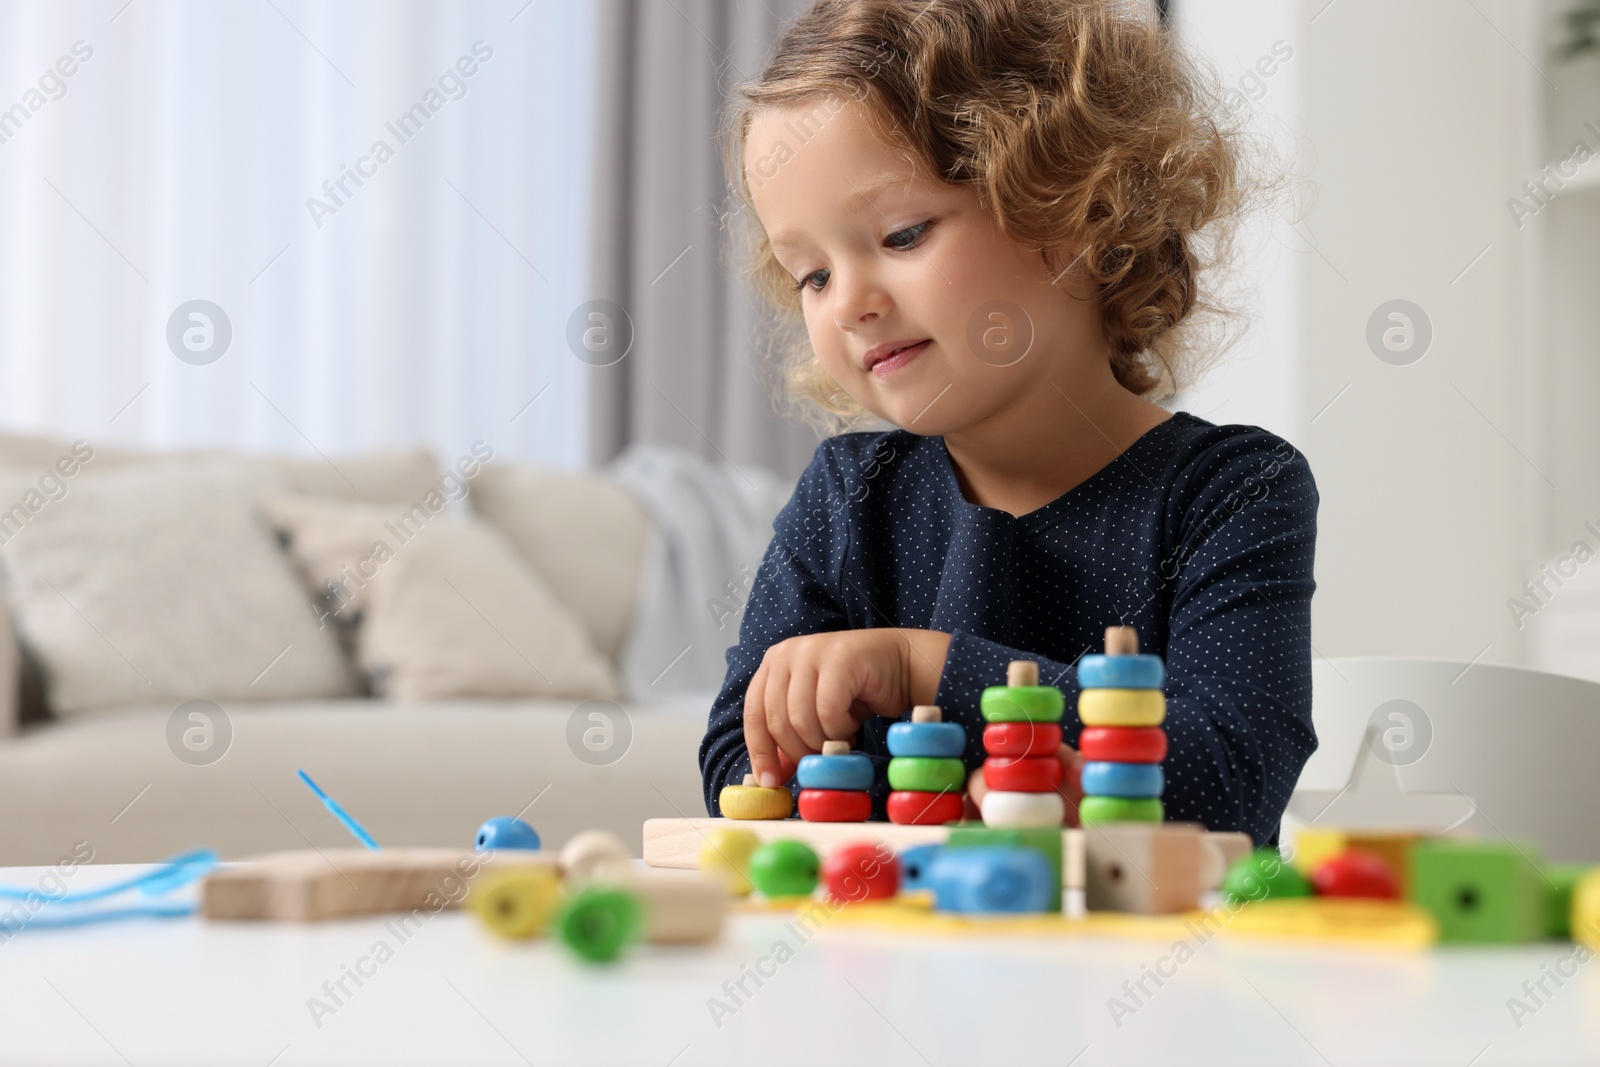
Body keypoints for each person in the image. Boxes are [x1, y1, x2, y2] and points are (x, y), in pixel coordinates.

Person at [698, 0, 1317, 846]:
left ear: (1075, 206)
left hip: (1163, 972)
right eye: (809, 274)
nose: (849, 303)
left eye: (902, 233)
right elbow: (736, 767)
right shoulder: (849, 498)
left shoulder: (1233, 490)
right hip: (893, 972)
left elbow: (1226, 784)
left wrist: (924, 668)